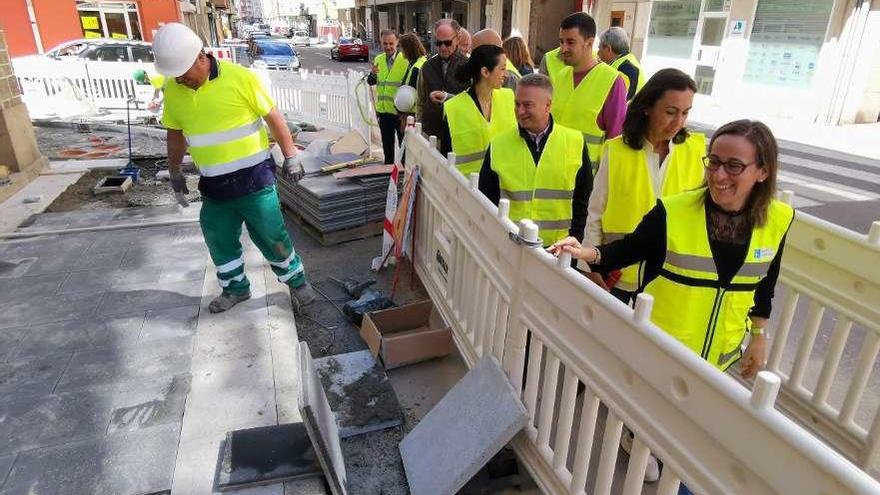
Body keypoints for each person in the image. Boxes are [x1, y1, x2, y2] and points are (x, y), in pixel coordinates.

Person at [551, 119, 791, 378]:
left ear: (763, 172)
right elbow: (628, 250)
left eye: (734, 166)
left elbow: (765, 286)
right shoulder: (672, 212)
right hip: (661, 353)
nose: (719, 174)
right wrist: (585, 252)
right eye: (714, 161)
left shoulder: (778, 220)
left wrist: (758, 336)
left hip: (718, 364)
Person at [152, 23, 316, 314]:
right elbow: (175, 134)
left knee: (271, 235)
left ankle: (297, 282)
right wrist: (174, 171)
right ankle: (235, 289)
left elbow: (273, 116)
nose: (181, 80)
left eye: (184, 73)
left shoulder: (240, 78)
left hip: (255, 182)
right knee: (218, 237)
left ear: (200, 58)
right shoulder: (174, 90)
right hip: (214, 187)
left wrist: (291, 155)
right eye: (175, 75)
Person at [586, 68, 705, 303]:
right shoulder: (616, 150)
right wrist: (592, 266)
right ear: (648, 107)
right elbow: (596, 212)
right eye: (671, 112)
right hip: (617, 273)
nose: (678, 122)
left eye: (685, 113)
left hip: (668, 277)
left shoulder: (696, 151)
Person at [478, 73, 591, 247]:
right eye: (517, 104)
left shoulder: (575, 142)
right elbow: (486, 200)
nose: (520, 111)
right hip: (509, 246)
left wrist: (575, 238)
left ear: (548, 106)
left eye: (527, 105)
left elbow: (583, 200)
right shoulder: (498, 145)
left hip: (559, 250)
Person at [550, 12, 627, 174]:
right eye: (561, 42)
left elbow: (615, 141)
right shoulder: (561, 76)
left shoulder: (612, 81)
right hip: (554, 175)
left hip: (586, 183)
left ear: (589, 43)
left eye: (570, 42)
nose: (563, 48)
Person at [441, 45, 517, 176]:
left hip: (503, 184)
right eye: (503, 68)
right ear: (485, 72)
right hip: (467, 188)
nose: (506, 74)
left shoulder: (509, 97)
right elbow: (445, 154)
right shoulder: (453, 108)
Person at [417, 19, 469, 146]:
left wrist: (447, 98)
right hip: (431, 134)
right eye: (438, 43)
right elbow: (420, 101)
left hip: (458, 135)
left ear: (458, 39)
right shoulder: (427, 66)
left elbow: (474, 102)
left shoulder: (469, 66)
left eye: (447, 43)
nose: (443, 47)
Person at [368, 29, 409, 164]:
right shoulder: (378, 59)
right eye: (385, 43)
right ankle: (388, 173)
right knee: (387, 148)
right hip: (383, 112)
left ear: (397, 42)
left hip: (399, 112)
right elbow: (371, 82)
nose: (388, 47)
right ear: (381, 42)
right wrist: (373, 74)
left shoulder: (405, 60)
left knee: (403, 148)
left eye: (391, 43)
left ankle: (402, 173)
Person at [597, 27, 645, 101]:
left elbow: (619, 103)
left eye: (600, 48)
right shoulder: (626, 60)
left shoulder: (626, 69)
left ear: (608, 49)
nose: (598, 53)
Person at [396, 33, 428, 125]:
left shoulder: (416, 67)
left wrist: (403, 114)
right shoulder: (419, 61)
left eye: (401, 47)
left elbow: (409, 96)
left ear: (408, 49)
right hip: (414, 113)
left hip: (412, 114)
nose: (400, 50)